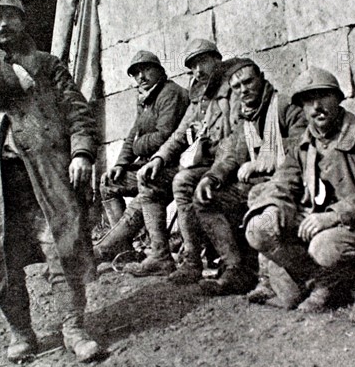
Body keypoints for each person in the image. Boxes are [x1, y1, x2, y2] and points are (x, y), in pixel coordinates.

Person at [0, 0, 102, 363]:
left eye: (10, 16)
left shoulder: (48, 66)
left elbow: (78, 113)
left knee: (61, 247)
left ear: (22, 21)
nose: (3, 24)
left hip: (46, 174)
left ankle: (74, 329)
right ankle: (21, 333)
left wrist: (81, 152)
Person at [244, 67, 355, 313]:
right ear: (302, 108)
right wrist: (272, 209)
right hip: (316, 225)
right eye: (307, 101)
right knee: (259, 229)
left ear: (337, 98)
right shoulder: (303, 144)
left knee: (324, 247)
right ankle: (326, 281)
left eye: (323, 97)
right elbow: (284, 181)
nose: (316, 106)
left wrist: (334, 215)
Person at [187, 58, 307, 295]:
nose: (244, 90)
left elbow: (305, 145)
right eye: (237, 87)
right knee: (204, 199)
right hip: (258, 184)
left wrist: (267, 159)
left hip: (289, 184)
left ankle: (266, 279)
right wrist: (212, 177)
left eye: (248, 82)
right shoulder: (245, 117)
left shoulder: (284, 106)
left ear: (261, 78)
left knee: (255, 195)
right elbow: (232, 154)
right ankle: (236, 268)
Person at [130, 39, 236, 276]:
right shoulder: (199, 95)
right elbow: (179, 135)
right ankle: (160, 254)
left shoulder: (232, 90)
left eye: (203, 62)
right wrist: (158, 159)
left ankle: (192, 260)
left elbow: (235, 140)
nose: (198, 71)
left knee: (182, 181)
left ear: (217, 60)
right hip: (201, 165)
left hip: (225, 167)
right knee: (149, 180)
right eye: (193, 66)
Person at [94, 51, 188, 262]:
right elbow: (132, 134)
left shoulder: (170, 93)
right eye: (136, 73)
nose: (141, 76)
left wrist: (137, 147)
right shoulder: (146, 97)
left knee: (144, 188)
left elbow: (165, 136)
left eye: (146, 69)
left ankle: (105, 248)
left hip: (171, 166)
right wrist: (120, 164)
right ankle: (124, 251)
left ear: (159, 70)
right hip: (148, 165)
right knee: (108, 184)